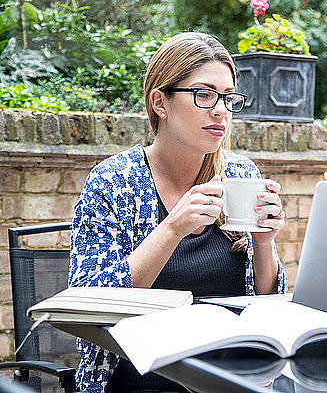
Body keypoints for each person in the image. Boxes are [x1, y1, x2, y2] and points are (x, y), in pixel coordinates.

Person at [68, 32, 288, 393]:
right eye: (203, 95)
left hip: (235, 373)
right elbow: (91, 304)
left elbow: (266, 302)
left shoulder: (240, 174)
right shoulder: (112, 182)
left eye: (228, 99)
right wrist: (172, 229)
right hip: (146, 377)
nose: (220, 110)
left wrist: (264, 244)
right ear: (160, 102)